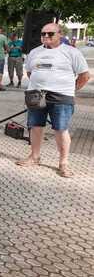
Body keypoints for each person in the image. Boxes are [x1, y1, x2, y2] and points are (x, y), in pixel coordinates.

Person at [15, 23, 90, 177]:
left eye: (50, 34)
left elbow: (84, 76)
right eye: (43, 34)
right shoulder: (34, 52)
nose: (46, 37)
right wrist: (40, 84)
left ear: (60, 34)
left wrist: (70, 89)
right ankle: (34, 157)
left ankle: (63, 163)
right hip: (36, 94)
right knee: (35, 126)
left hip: (61, 96)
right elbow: (29, 72)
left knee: (61, 129)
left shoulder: (71, 52)